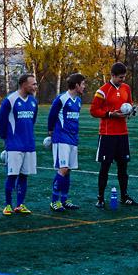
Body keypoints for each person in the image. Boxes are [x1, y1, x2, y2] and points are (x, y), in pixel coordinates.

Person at [89, 63, 138, 208]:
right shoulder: (102, 91)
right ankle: (100, 198)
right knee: (105, 167)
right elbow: (93, 110)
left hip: (122, 134)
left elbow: (128, 104)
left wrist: (130, 111)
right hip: (107, 134)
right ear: (113, 75)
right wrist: (110, 114)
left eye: (124, 77)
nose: (122, 80)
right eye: (120, 78)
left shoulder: (126, 88)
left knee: (123, 167)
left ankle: (124, 196)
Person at [0, 74, 38, 216]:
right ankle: (8, 205)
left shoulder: (33, 101)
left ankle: (20, 204)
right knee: (12, 175)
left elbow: (32, 120)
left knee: (24, 176)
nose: (35, 86)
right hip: (14, 145)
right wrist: (6, 140)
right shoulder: (10, 100)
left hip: (29, 144)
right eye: (32, 84)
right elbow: (2, 122)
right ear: (23, 85)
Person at [48, 73, 85, 212]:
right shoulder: (62, 99)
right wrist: (50, 131)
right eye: (83, 84)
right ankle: (54, 201)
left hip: (73, 139)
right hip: (61, 138)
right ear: (76, 85)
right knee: (63, 169)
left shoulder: (79, 101)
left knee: (68, 170)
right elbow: (52, 115)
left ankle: (64, 200)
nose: (84, 87)